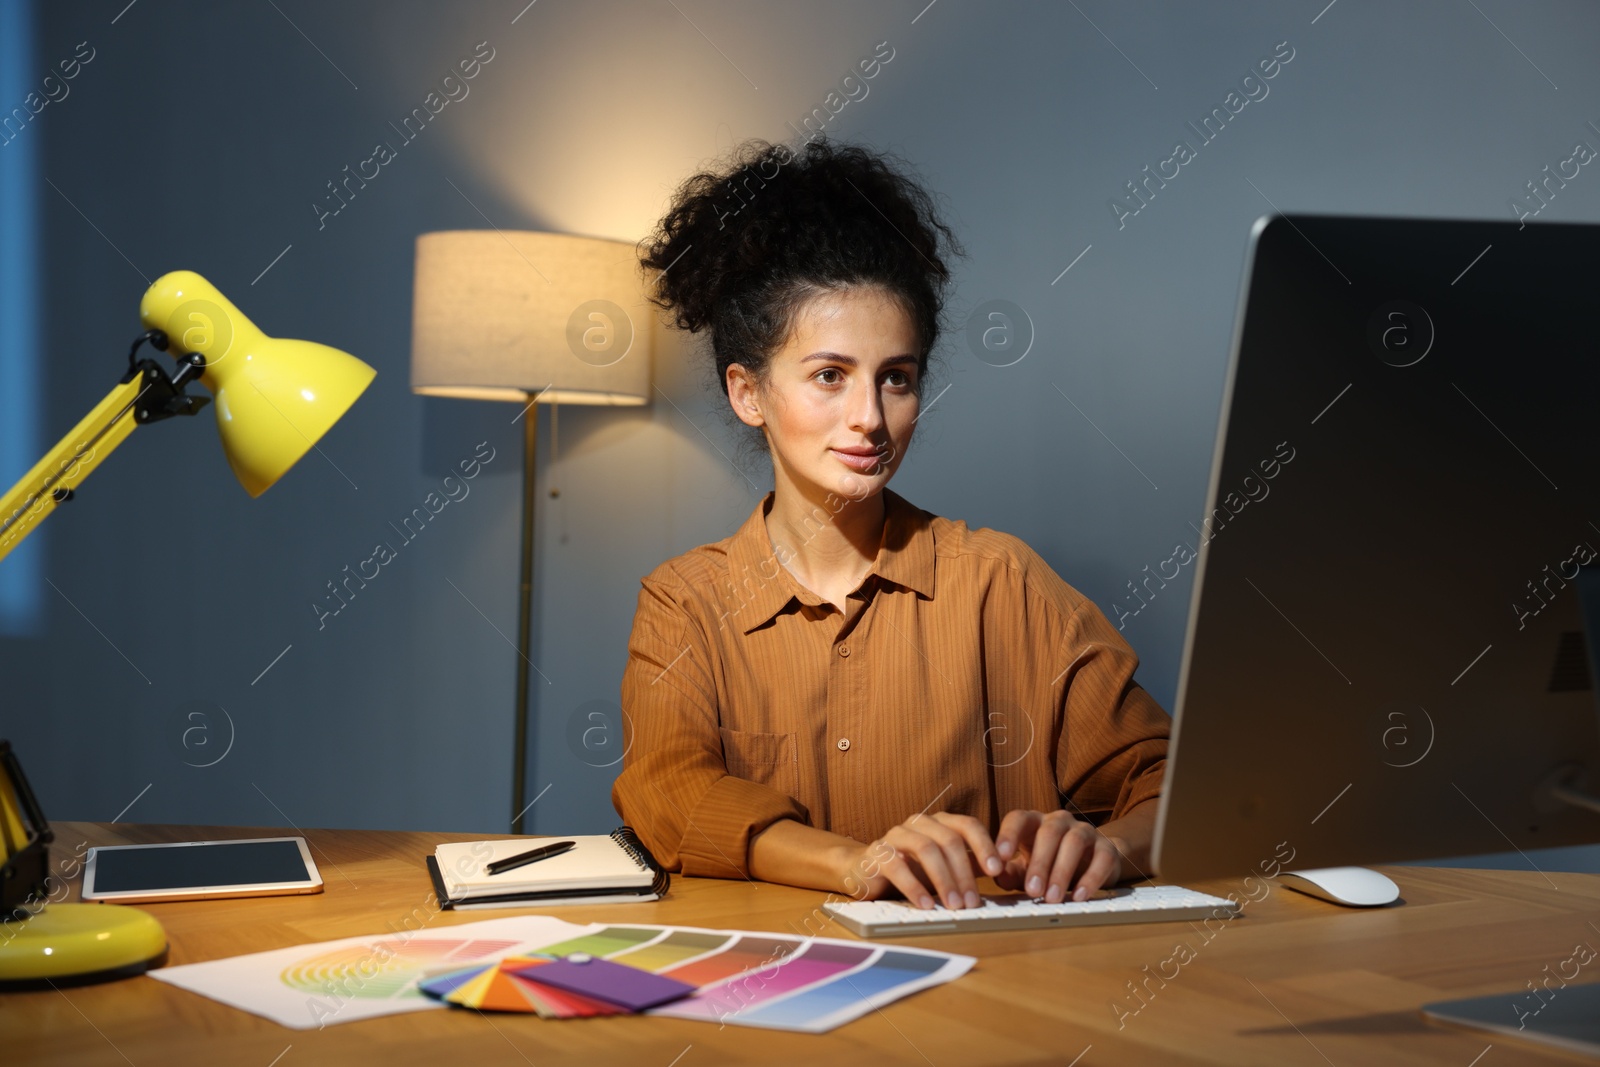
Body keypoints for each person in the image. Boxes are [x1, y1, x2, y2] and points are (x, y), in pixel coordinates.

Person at [613, 136, 1169, 911]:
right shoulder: (685, 605)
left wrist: (1105, 844)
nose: (870, 418)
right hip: (769, 1004)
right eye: (830, 376)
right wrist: (855, 862)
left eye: (897, 379)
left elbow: (1170, 779)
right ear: (747, 392)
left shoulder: (1001, 581)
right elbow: (671, 794)